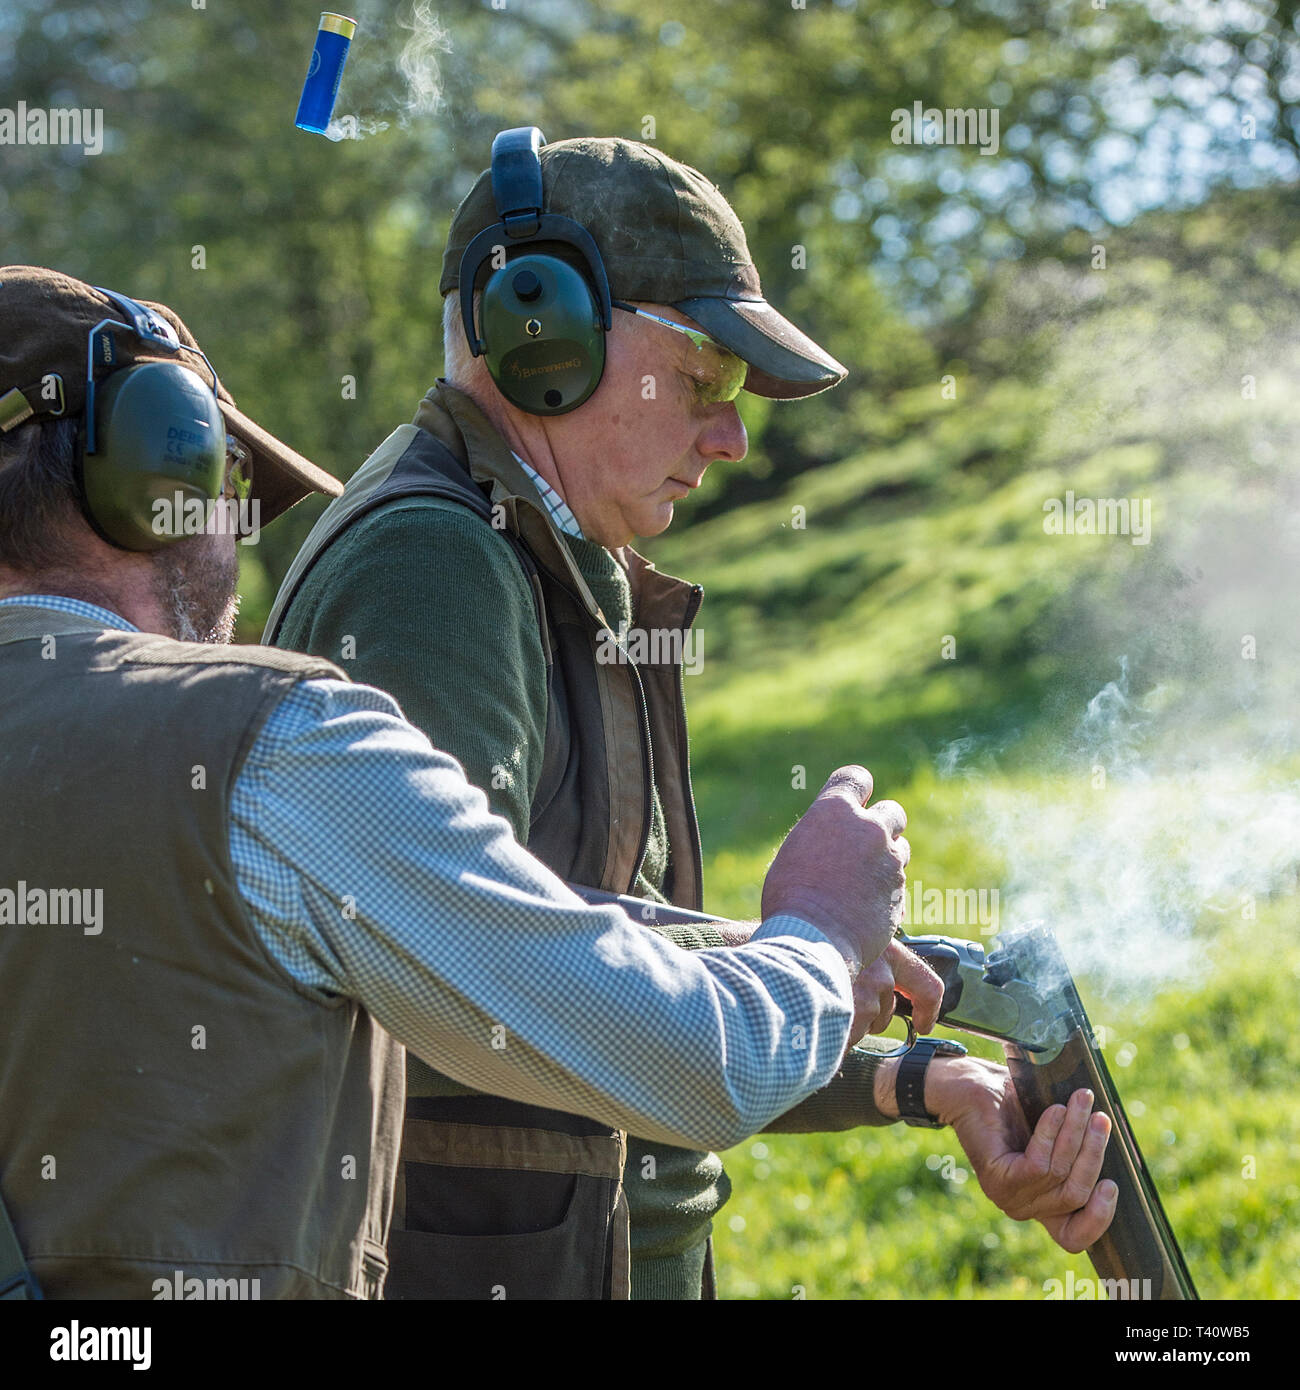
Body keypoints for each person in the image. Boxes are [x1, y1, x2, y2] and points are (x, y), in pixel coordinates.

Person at [265, 132, 1119, 1300]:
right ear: (540, 334)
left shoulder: (530, 552)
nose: (730, 437)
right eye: (704, 379)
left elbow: (587, 969)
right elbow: (477, 980)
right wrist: (807, 939)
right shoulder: (436, 567)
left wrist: (904, 1073)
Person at [0, 265, 950, 1300]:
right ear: (156, 476)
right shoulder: (271, 741)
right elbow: (694, 1061)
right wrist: (817, 930)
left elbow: (482, 923)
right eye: (230, 488)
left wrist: (851, 1032)